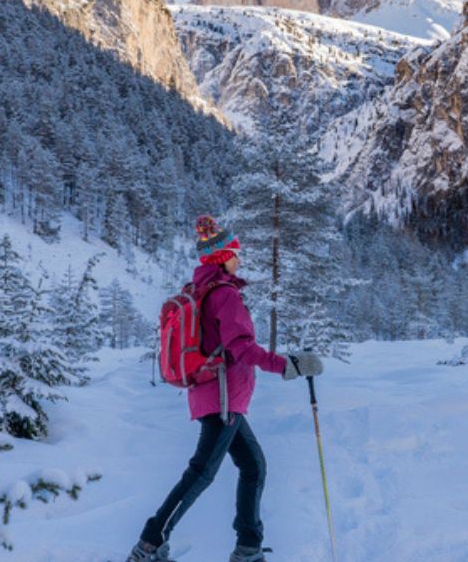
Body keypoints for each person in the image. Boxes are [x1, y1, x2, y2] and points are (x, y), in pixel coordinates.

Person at [127, 215, 324, 562]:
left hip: (218, 396)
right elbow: (242, 349)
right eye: (236, 252)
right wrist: (289, 366)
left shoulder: (203, 290)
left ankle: (248, 547)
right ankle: (150, 543)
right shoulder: (225, 295)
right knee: (201, 474)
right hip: (222, 399)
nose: (240, 257)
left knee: (253, 466)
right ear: (223, 257)